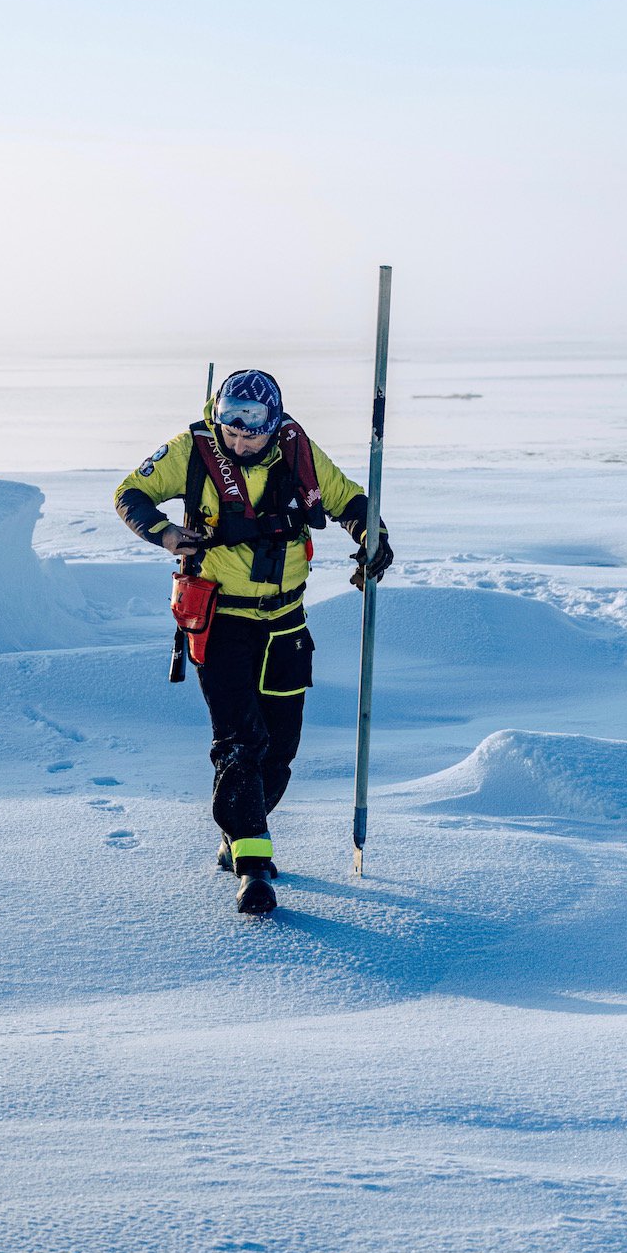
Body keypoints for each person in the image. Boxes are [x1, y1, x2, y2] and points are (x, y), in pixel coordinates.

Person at [114, 369, 393, 914]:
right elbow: (130, 493)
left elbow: (348, 501)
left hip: (287, 622)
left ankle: (237, 831)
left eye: (254, 428)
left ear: (275, 421)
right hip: (222, 621)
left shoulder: (296, 449)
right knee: (240, 743)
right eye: (231, 427)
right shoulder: (189, 451)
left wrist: (373, 538)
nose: (241, 439)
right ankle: (253, 865)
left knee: (280, 749)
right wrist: (167, 533)